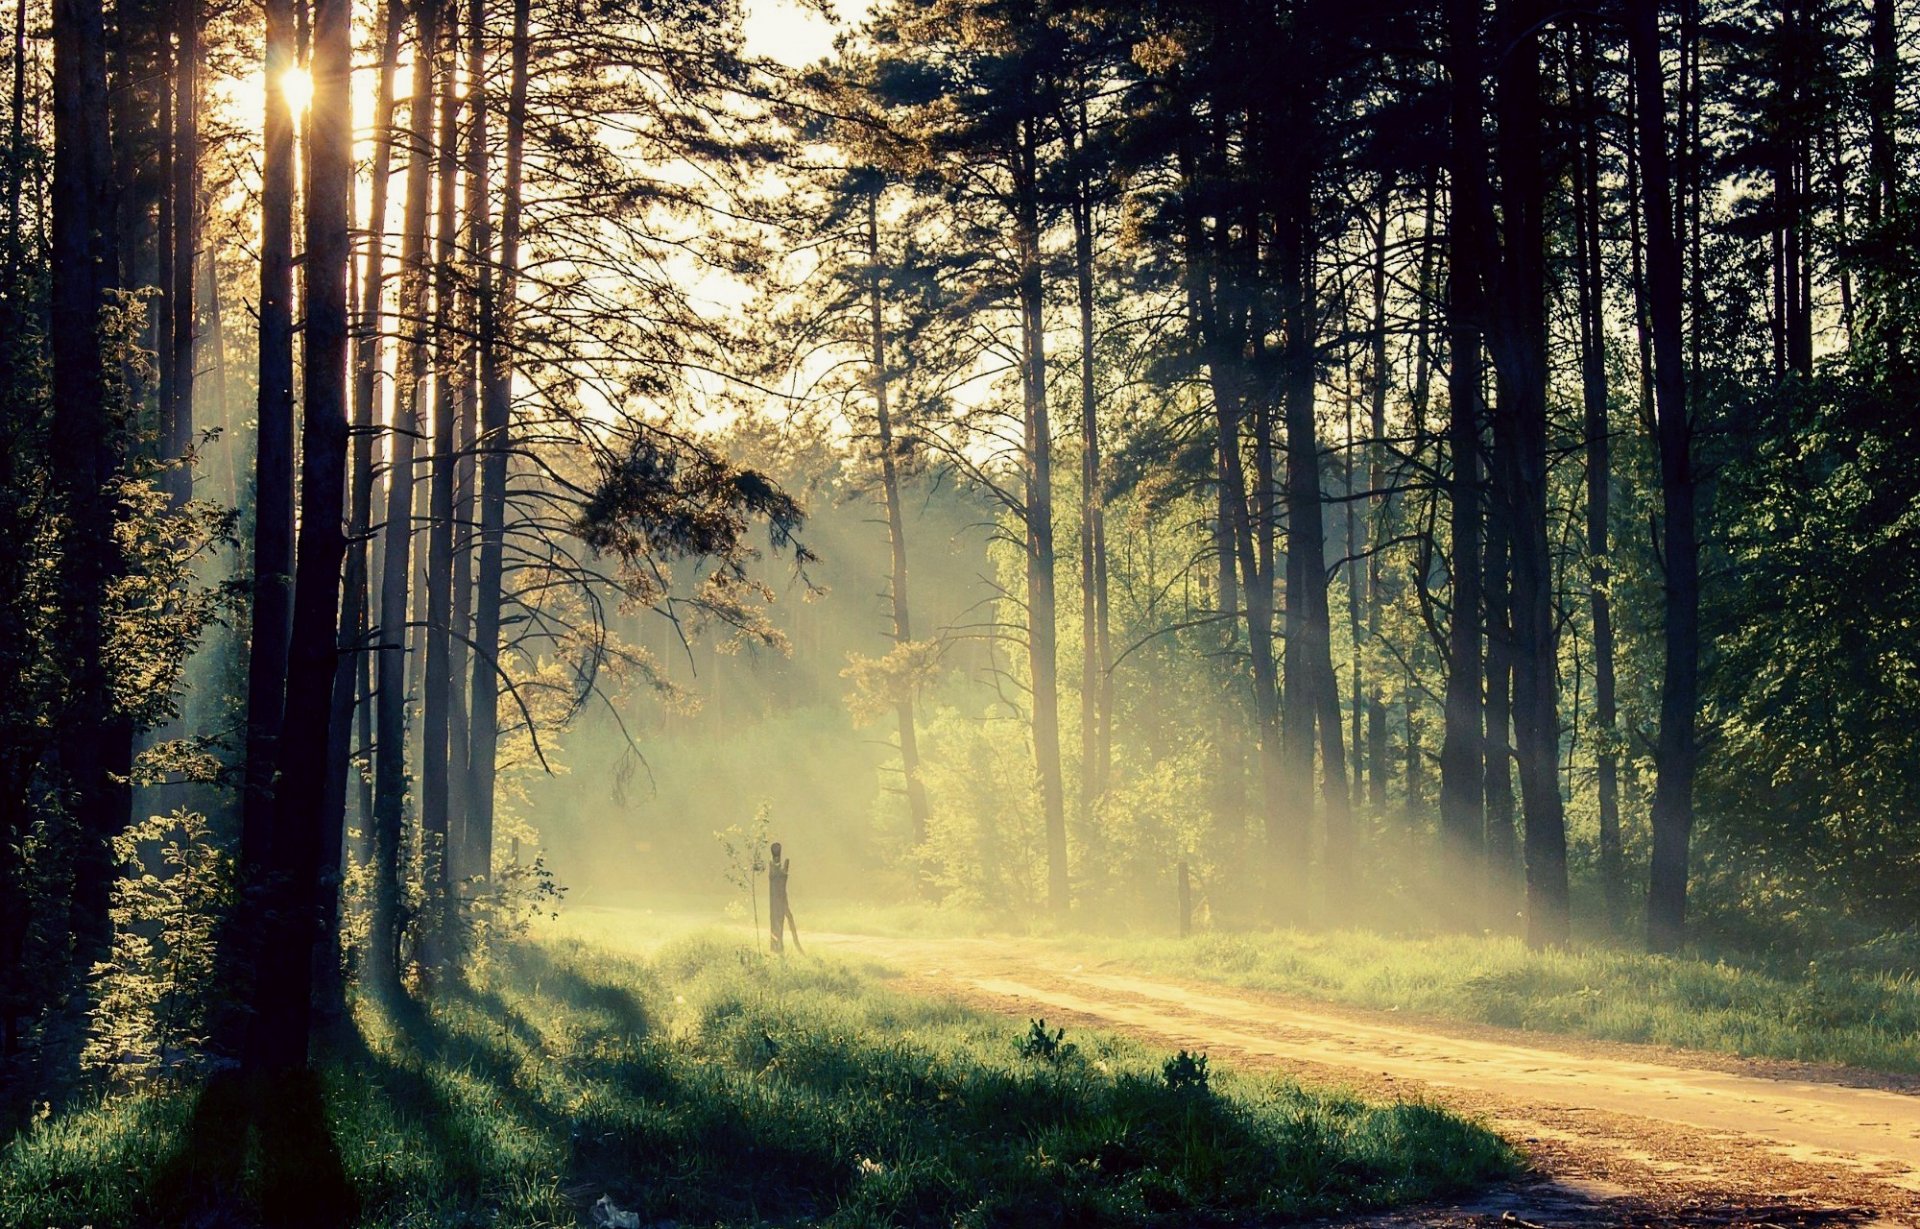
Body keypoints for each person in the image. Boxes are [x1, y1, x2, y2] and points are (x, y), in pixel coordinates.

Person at [767, 842, 803, 956]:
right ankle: (777, 947)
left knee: (777, 921)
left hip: (778, 901)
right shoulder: (773, 867)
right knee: (777, 921)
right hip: (778, 901)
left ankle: (777, 947)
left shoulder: (775, 868)